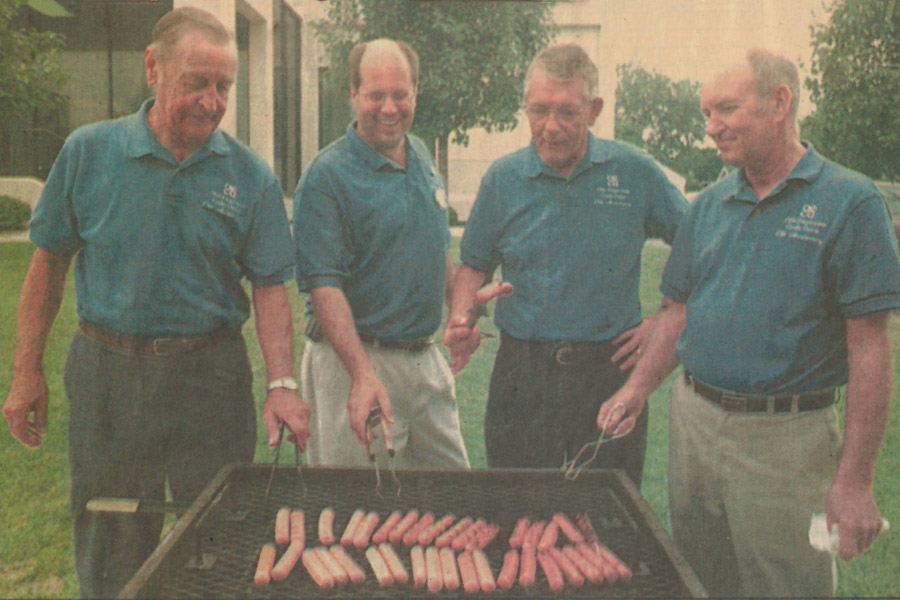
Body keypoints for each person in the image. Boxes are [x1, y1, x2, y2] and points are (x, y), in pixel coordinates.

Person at [2, 8, 311, 598]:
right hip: (109, 376)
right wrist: (24, 373)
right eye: (197, 81)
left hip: (211, 377)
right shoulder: (88, 153)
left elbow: (270, 287)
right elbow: (46, 267)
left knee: (221, 539)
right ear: (152, 68)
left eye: (225, 86)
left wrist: (281, 384)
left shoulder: (250, 176)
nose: (213, 101)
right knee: (111, 537)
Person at [597, 49, 898, 597]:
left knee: (786, 586)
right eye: (707, 112)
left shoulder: (851, 203)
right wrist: (636, 390)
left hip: (786, 441)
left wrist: (853, 482)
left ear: (779, 102)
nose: (711, 128)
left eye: (726, 109)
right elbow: (677, 311)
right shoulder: (709, 205)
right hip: (693, 425)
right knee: (696, 579)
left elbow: (871, 346)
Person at [444, 43, 687, 485]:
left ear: (594, 109)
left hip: (609, 371)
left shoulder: (634, 172)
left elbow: (699, 249)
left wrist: (664, 320)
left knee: (606, 520)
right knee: (516, 512)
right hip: (522, 373)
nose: (550, 127)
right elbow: (473, 267)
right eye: (538, 111)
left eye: (567, 113)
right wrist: (463, 315)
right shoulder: (502, 179)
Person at [293, 39, 469, 470]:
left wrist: (461, 311)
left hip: (424, 362)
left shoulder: (422, 155)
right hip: (352, 362)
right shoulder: (326, 176)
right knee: (361, 516)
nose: (390, 108)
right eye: (376, 95)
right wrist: (362, 375)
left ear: (415, 94)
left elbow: (433, 248)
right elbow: (323, 288)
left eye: (400, 94)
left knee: (455, 501)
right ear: (353, 95)